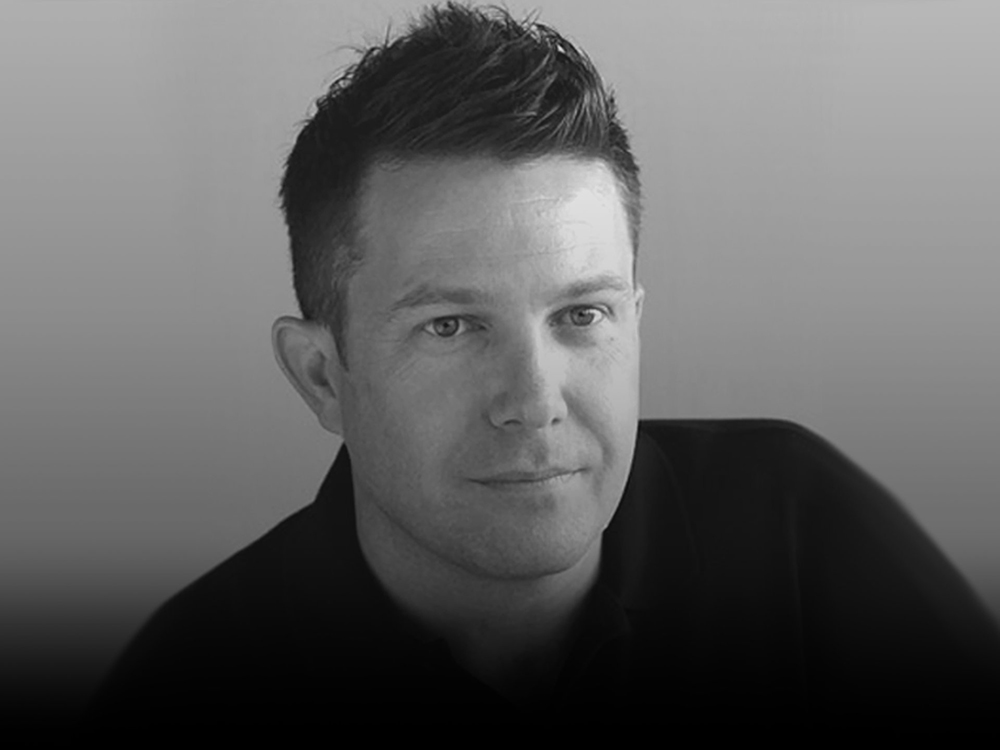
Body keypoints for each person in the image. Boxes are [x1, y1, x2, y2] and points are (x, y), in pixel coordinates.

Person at [87, 2, 1000, 728]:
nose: (533, 401)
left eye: (581, 315)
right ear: (322, 375)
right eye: (451, 327)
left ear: (634, 325)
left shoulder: (804, 536)